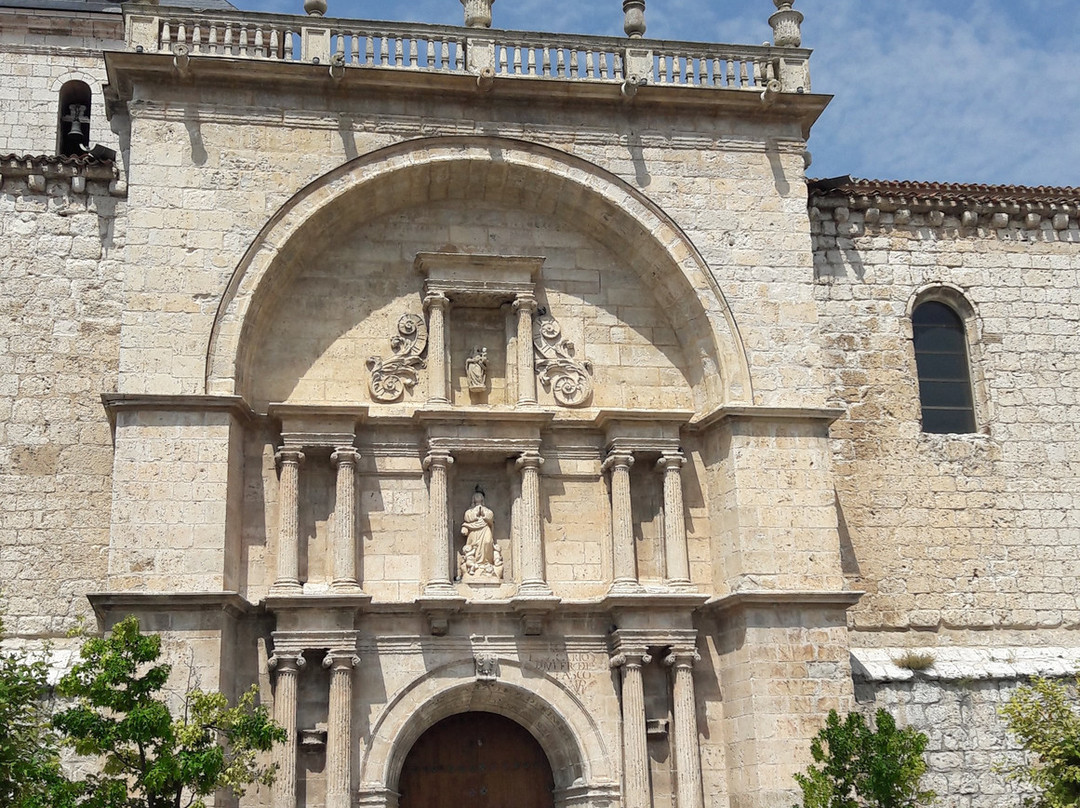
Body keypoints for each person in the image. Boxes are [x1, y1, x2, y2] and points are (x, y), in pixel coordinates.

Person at [459, 486, 500, 578]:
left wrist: (484, 514)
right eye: (476, 496)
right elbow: (467, 517)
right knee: (474, 547)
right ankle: (475, 565)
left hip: (485, 528)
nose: (478, 497)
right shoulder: (470, 511)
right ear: (473, 499)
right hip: (474, 530)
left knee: (487, 542)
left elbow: (490, 517)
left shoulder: (487, 510)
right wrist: (476, 514)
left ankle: (487, 563)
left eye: (480, 496)